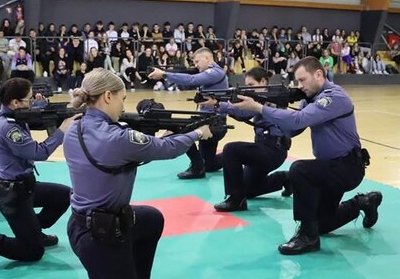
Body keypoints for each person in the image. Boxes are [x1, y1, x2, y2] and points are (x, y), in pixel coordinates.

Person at [13, 68, 213, 279]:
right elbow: (167, 148)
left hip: (86, 223)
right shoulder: (116, 137)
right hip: (102, 236)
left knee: (150, 219)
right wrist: (198, 133)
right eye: (121, 98)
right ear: (107, 96)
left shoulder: (76, 126)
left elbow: (130, 149)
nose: (123, 105)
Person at [232, 57, 383, 255]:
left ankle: (307, 237)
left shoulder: (334, 96)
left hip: (347, 168)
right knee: (323, 223)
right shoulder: (310, 98)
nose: (299, 86)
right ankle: (362, 203)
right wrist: (271, 109)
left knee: (300, 170)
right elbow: (294, 129)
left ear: (318, 75)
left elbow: (299, 120)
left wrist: (261, 108)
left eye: (302, 80)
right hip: (330, 168)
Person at [0, 77, 78, 271]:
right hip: (13, 196)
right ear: (15, 102)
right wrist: (61, 132)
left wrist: (52, 107)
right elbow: (39, 152)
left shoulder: (15, 115)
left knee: (65, 195)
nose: (31, 102)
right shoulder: (8, 127)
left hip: (26, 188)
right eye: (28, 99)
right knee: (33, 252)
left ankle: (33, 230)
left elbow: (38, 119)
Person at [199, 67, 293, 212]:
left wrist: (218, 103)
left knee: (231, 149)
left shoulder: (271, 98)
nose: (248, 89)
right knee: (247, 189)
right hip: (263, 149)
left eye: (251, 85)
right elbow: (241, 114)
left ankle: (236, 200)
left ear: (263, 81)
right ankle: (285, 178)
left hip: (274, 150)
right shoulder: (260, 99)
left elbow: (243, 112)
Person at [148, 47, 228, 179]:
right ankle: (233, 156)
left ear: (207, 58)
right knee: (210, 164)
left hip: (213, 124)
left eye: (197, 61)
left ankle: (197, 168)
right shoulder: (213, 73)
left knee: (182, 130)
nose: (196, 65)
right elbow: (190, 77)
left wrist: (164, 74)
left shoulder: (215, 72)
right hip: (210, 121)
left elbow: (191, 80)